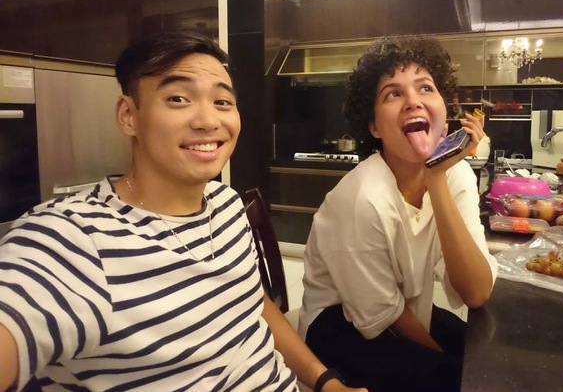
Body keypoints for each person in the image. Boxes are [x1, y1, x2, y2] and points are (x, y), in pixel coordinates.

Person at [0, 31, 367, 392]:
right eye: (178, 98)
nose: (209, 121)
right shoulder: (73, 238)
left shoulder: (227, 204)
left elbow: (252, 304)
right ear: (128, 115)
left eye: (222, 102)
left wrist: (325, 382)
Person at [298, 35, 498, 392]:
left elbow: (476, 292)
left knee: (489, 359)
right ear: (374, 126)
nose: (413, 101)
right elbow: (381, 314)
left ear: (443, 111)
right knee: (459, 379)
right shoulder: (361, 198)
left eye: (426, 88)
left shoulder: (456, 175)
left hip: (405, 304)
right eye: (393, 94)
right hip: (340, 323)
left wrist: (436, 179)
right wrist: (447, 366)